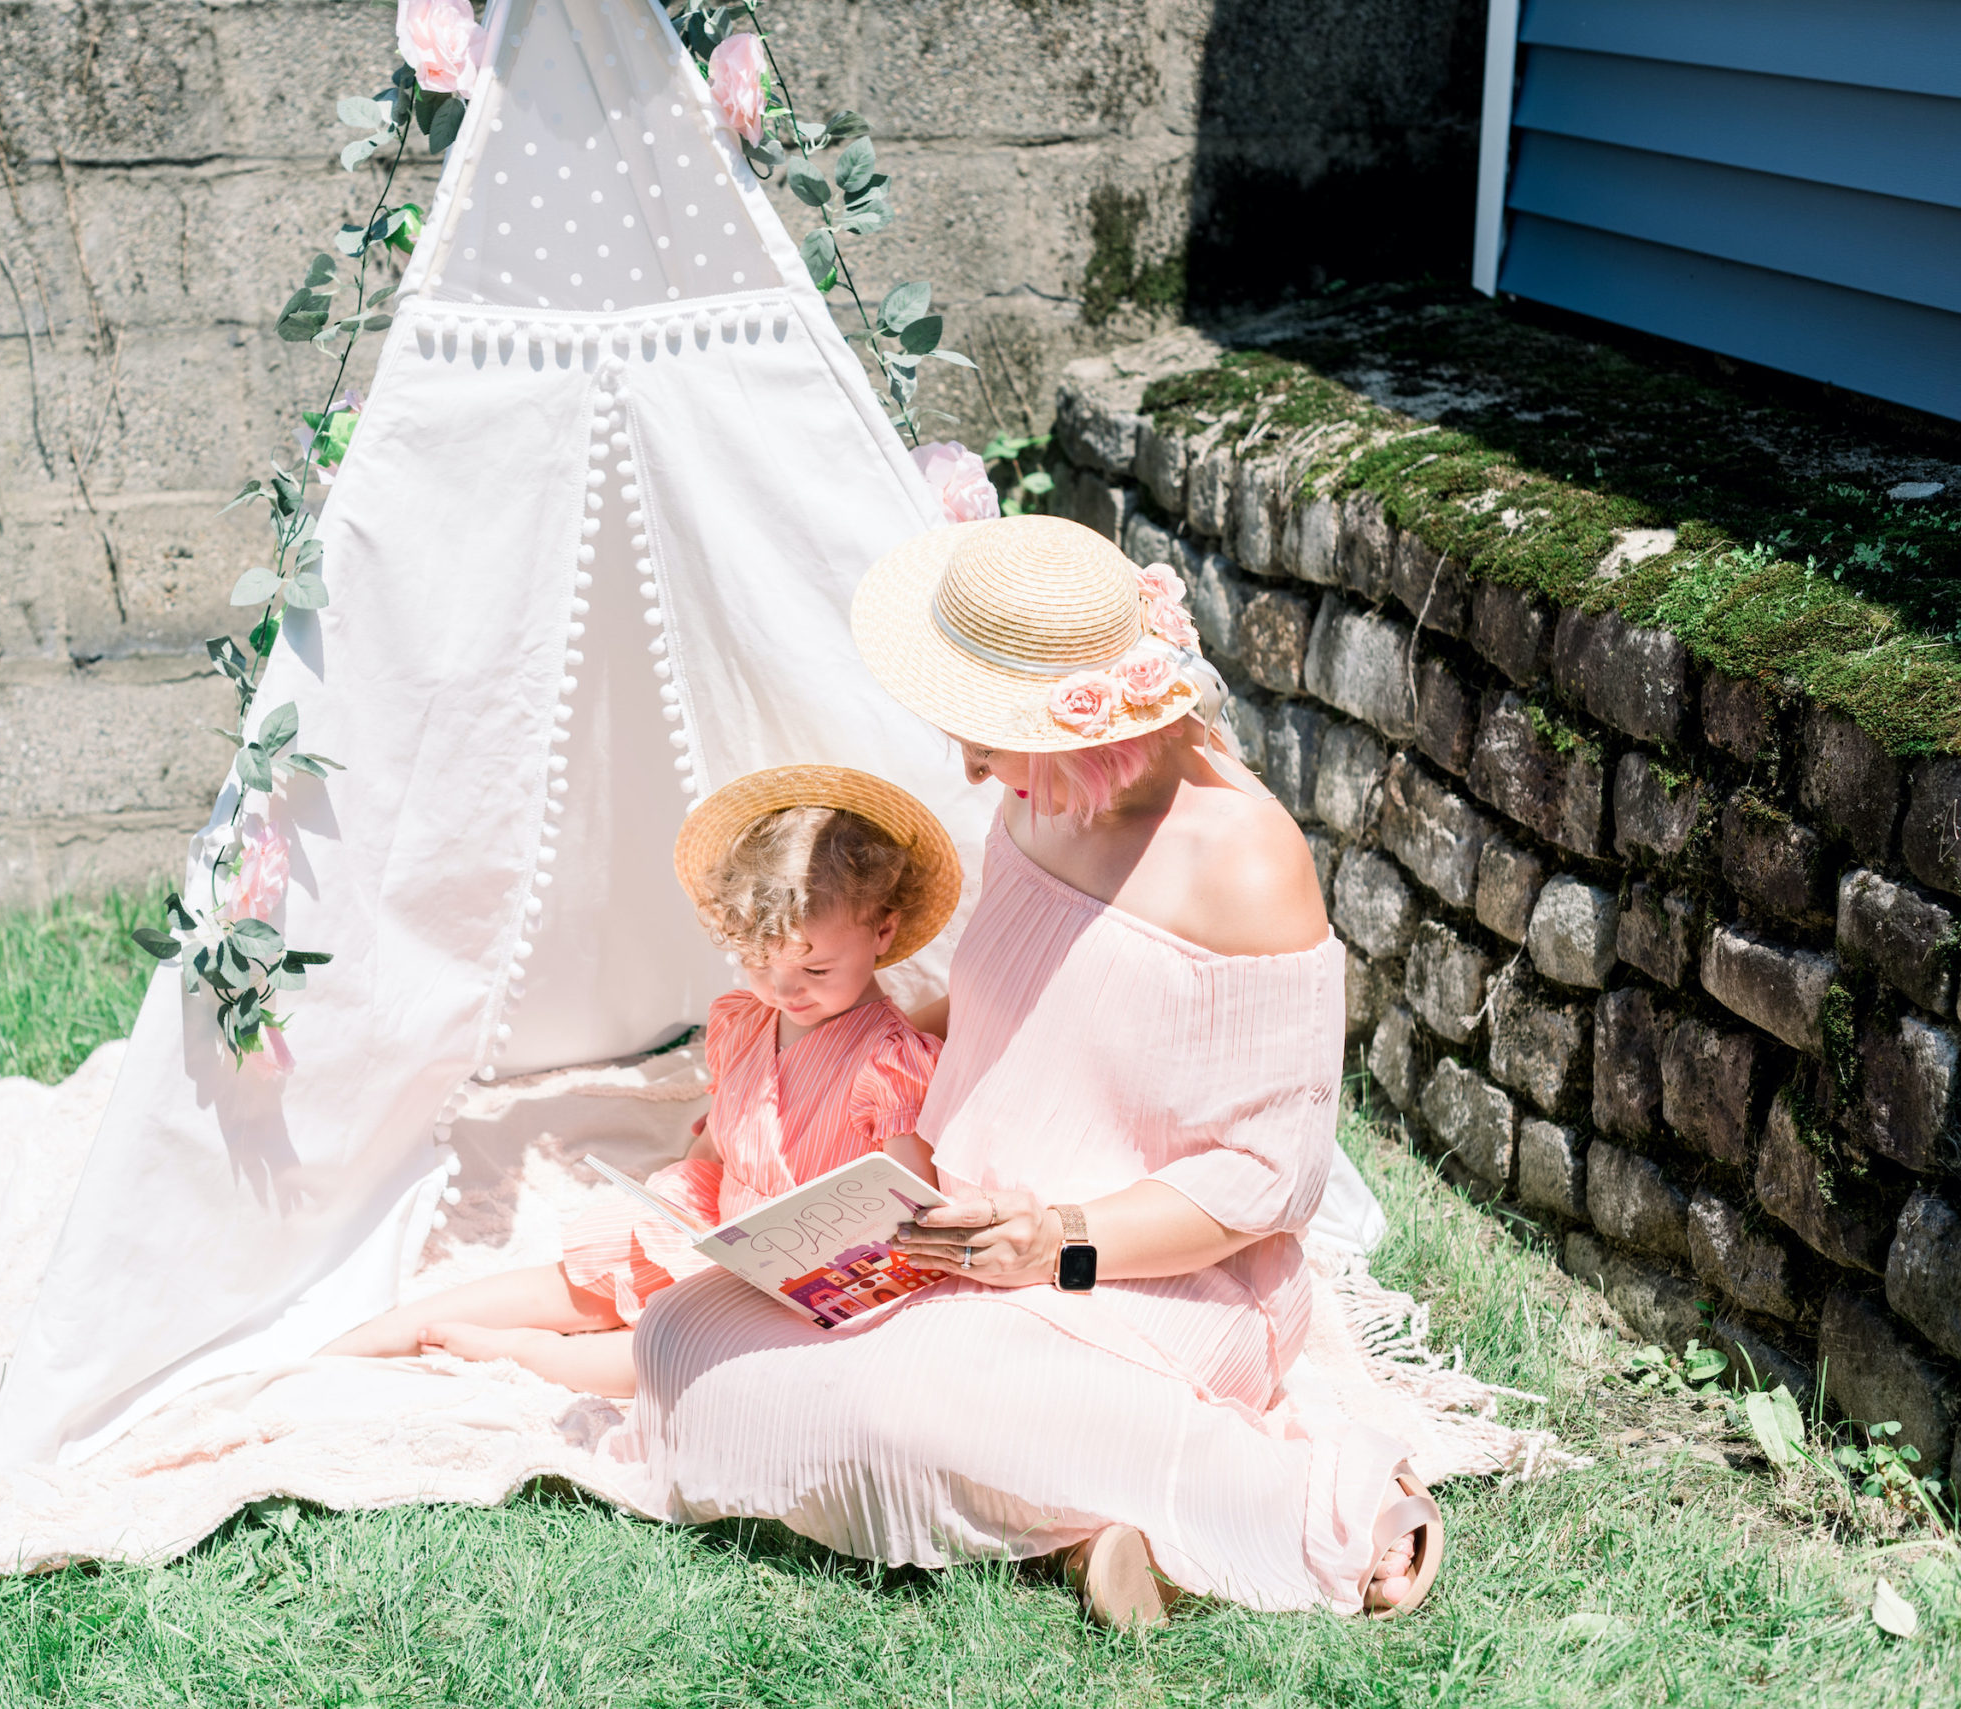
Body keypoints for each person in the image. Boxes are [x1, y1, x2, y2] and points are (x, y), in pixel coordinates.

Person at [615, 514, 1443, 1623]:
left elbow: (1266, 1180)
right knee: (677, 1338)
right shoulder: (1037, 798)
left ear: (1093, 730)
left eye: (992, 733)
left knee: (901, 1406)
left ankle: (1322, 1503)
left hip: (1149, 1268)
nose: (967, 763)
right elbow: (1033, 992)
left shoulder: (1242, 863)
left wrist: (1061, 1237)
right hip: (964, 1228)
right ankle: (1080, 1532)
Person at [320, 766, 956, 1397]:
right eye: (759, 962)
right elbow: (726, 1139)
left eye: (816, 968)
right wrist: (685, 1186)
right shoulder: (747, 1021)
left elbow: (902, 1201)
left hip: (804, 1275)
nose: (785, 989)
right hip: (727, 1227)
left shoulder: (891, 1059)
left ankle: (530, 1354)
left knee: (675, 1350)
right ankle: (389, 1331)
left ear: (883, 930)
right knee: (586, 1276)